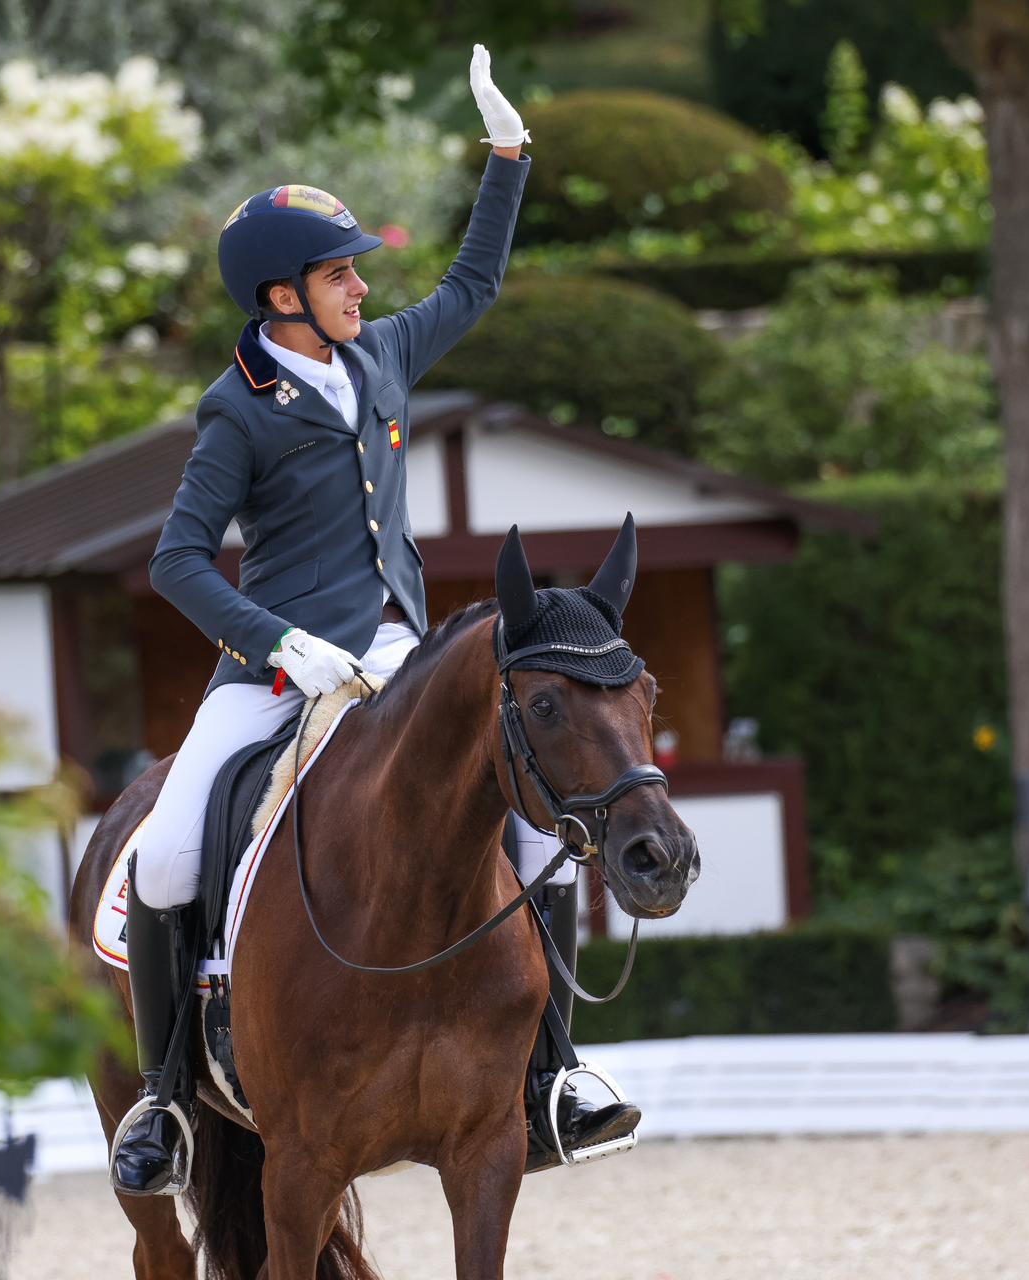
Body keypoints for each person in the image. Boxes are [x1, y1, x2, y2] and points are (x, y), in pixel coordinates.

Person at [112, 44, 639, 1196]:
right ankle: (166, 1103)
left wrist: (508, 156)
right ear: (280, 297)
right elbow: (176, 559)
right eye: (340, 274)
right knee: (166, 849)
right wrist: (275, 640)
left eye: (357, 271)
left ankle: (551, 1073)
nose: (363, 286)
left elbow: (475, 286)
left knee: (541, 827)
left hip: (400, 659)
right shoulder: (236, 413)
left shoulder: (385, 354)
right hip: (276, 674)